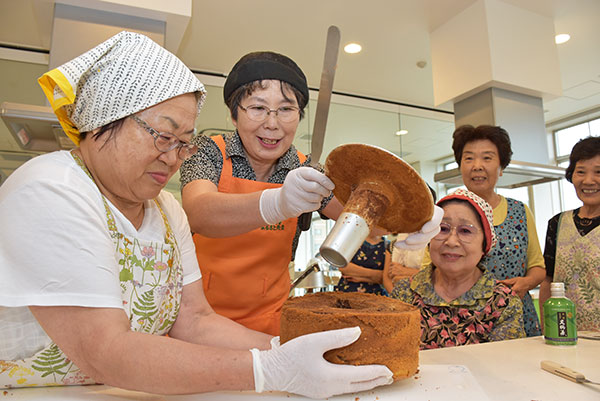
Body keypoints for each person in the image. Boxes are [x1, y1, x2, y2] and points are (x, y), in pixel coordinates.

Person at [0, 31, 394, 398]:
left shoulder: (164, 210)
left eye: (182, 143)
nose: (172, 159)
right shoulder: (52, 189)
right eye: (163, 135)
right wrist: (268, 368)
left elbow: (193, 320)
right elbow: (106, 349)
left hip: (126, 387)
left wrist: (284, 349)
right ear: (105, 117)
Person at [179, 51, 443, 335]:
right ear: (234, 114)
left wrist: (415, 221)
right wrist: (278, 202)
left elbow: (361, 221)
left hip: (270, 323)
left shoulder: (307, 171)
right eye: (257, 108)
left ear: (299, 116)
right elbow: (199, 212)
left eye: (286, 109)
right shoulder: (208, 152)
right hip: (198, 318)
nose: (272, 123)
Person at [390, 189, 526, 349]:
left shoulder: (503, 303)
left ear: (485, 244)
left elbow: (505, 366)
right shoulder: (404, 294)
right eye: (443, 229)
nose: (451, 241)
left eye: (465, 231)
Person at [445, 124, 545, 337]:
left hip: (516, 318)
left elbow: (537, 267)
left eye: (487, 158)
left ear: (501, 167)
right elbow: (429, 269)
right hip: (461, 322)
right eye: (469, 158)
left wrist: (525, 283)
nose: (477, 166)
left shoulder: (519, 211)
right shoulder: (444, 212)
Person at [539, 136, 600, 331]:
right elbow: (548, 279)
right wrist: (546, 329)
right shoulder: (557, 223)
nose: (588, 180)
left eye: (598, 172)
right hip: (564, 334)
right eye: (580, 172)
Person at [334, 228, 390, 295]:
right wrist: (377, 275)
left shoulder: (389, 246)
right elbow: (344, 267)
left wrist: (360, 277)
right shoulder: (351, 241)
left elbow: (387, 278)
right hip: (347, 293)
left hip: (377, 296)